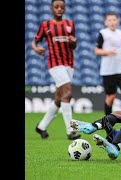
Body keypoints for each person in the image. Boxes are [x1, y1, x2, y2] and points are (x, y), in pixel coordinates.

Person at [31, 0, 81, 140]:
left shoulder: (70, 24)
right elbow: (35, 41)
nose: (59, 9)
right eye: (56, 7)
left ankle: (41, 127)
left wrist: (73, 42)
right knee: (68, 92)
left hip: (69, 64)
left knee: (59, 98)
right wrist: (36, 49)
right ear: (51, 8)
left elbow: (74, 45)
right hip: (54, 64)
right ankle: (70, 130)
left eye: (62, 7)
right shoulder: (45, 25)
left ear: (64, 9)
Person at [94, 12, 121, 116]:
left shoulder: (120, 32)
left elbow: (119, 50)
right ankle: (107, 122)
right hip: (108, 71)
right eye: (109, 20)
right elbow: (97, 51)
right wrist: (108, 52)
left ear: (118, 21)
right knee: (110, 98)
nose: (112, 22)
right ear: (105, 22)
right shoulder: (103, 33)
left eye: (114, 20)